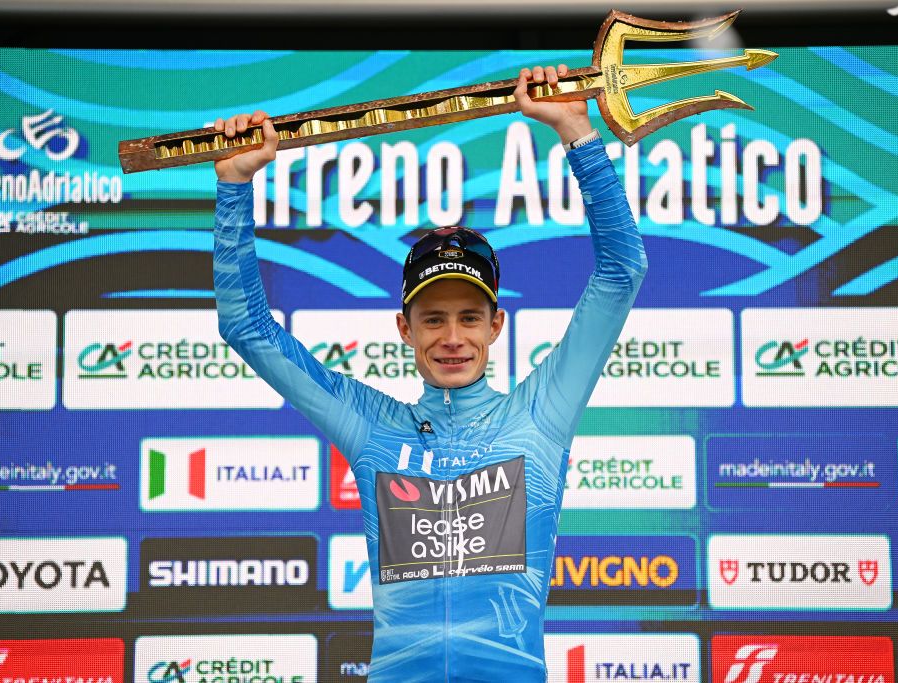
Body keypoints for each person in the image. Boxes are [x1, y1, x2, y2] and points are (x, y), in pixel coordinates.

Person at [213, 64, 646, 682]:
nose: (451, 338)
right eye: (433, 318)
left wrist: (578, 134)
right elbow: (247, 328)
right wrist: (234, 185)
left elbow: (620, 273)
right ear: (404, 329)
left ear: (496, 326)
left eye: (469, 318)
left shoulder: (539, 414)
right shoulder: (372, 428)